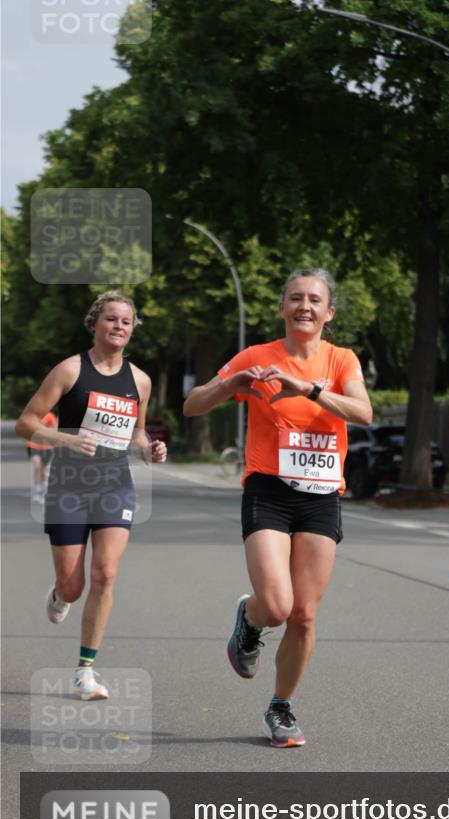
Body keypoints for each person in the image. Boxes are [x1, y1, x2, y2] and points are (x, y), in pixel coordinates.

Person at [184, 268, 372, 747]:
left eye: (314, 299)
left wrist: (306, 388)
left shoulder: (342, 359)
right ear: (282, 307)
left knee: (304, 615)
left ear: (329, 313)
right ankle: (249, 620)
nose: (304, 306)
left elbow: (363, 413)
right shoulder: (257, 356)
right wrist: (231, 385)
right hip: (268, 489)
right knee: (276, 604)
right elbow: (192, 405)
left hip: (322, 494)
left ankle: (280, 707)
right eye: (295, 298)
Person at [15, 291, 167, 700]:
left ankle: (85, 670)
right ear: (95, 323)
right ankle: (60, 593)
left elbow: (136, 434)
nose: (119, 327)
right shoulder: (69, 370)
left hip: (114, 483)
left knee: (105, 574)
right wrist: (64, 439)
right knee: (74, 586)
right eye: (111, 319)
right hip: (68, 485)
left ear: (132, 330)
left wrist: (149, 448)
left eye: (126, 322)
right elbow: (26, 424)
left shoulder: (140, 381)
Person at [25, 411, 57, 503]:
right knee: (37, 466)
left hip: (47, 446)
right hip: (33, 445)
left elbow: (54, 429)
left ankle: (43, 491)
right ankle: (37, 491)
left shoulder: (50, 416)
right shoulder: (32, 415)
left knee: (43, 470)